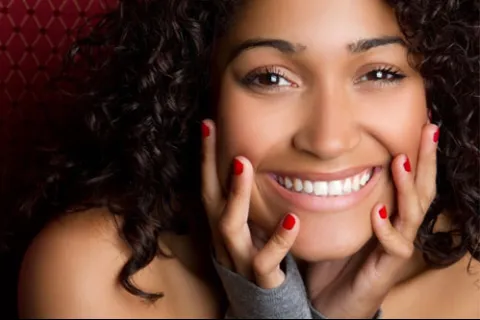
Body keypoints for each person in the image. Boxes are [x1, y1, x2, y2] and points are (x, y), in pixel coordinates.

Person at [8, 0, 478, 318]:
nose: (328, 139)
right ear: (197, 91)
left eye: (378, 73)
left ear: (434, 93)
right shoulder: (94, 275)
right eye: (271, 79)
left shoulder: (471, 282)